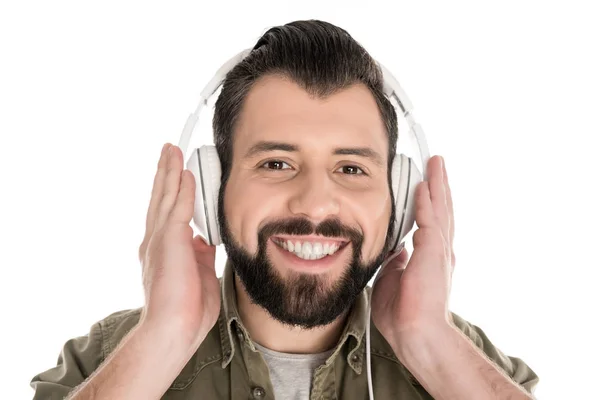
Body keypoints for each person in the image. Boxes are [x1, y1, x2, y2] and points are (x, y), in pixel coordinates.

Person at [30, 19, 539, 400]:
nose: (315, 202)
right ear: (212, 189)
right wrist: (163, 340)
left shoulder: (466, 364)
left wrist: (430, 344)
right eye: (276, 163)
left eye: (352, 169)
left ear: (401, 201)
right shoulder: (107, 360)